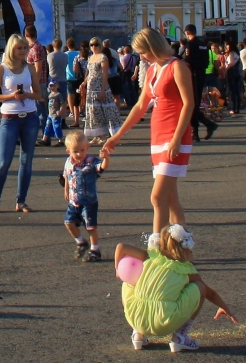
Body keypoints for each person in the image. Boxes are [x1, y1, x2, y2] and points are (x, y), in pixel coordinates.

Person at [102, 27, 196, 233]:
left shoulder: (177, 66)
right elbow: (140, 106)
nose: (142, 57)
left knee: (157, 196)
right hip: (158, 133)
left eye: (143, 52)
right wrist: (117, 135)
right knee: (170, 197)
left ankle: (157, 247)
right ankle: (182, 247)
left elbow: (189, 103)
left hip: (174, 133)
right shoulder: (153, 69)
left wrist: (177, 138)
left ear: (154, 47)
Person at [116, 224, 236, 353]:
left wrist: (118, 270)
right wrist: (225, 307)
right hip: (163, 322)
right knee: (200, 287)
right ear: (185, 249)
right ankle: (180, 337)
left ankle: (138, 334)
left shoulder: (151, 255)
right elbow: (210, 294)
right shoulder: (186, 270)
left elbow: (121, 247)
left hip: (135, 317)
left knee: (128, 281)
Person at [0, 34, 39, 215]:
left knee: (26, 161)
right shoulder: (1, 69)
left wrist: (28, 95)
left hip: (30, 117)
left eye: (24, 48)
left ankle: (21, 201)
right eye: (19, 48)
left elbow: (39, 93)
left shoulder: (30, 68)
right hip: (10, 118)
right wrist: (11, 96)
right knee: (4, 161)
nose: (22, 51)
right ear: (11, 50)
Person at [61, 132, 105, 261]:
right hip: (74, 200)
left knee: (90, 227)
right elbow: (67, 177)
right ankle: (81, 242)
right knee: (68, 222)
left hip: (88, 201)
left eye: (82, 150)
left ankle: (95, 249)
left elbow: (102, 167)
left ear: (87, 148)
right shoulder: (68, 162)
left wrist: (106, 158)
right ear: (68, 151)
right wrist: (66, 191)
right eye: (75, 151)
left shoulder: (91, 162)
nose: (79, 154)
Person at [72, 39, 122, 140]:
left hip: (100, 87)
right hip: (91, 87)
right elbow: (89, 73)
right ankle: (98, 134)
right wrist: (84, 83)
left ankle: (110, 134)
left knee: (106, 111)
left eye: (96, 45)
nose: (94, 47)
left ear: (100, 45)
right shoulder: (90, 58)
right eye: (91, 45)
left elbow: (105, 75)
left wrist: (103, 90)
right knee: (93, 111)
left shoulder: (103, 58)